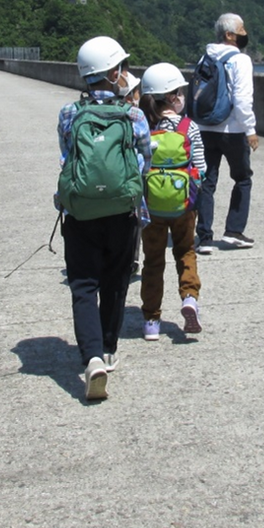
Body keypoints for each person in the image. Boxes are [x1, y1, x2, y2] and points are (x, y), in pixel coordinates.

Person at [57, 36, 151, 401]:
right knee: (115, 280)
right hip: (122, 213)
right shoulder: (134, 116)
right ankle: (109, 347)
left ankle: (92, 357)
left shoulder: (69, 114)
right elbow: (144, 163)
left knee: (83, 284)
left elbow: (67, 157)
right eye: (122, 68)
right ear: (113, 74)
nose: (126, 74)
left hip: (80, 212)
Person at [137, 63, 206, 341]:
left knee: (153, 261)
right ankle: (189, 297)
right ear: (173, 96)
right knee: (185, 251)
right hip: (183, 206)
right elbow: (201, 168)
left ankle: (151, 321)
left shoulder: (143, 126)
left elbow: (139, 166)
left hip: (151, 207)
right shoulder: (189, 127)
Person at [195, 13, 258, 253]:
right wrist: (250, 129)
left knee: (206, 182)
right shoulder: (240, 60)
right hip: (232, 129)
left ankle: (204, 238)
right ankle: (233, 231)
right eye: (241, 29)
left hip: (204, 127)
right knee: (242, 179)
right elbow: (242, 99)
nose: (245, 33)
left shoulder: (204, 57)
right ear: (230, 35)